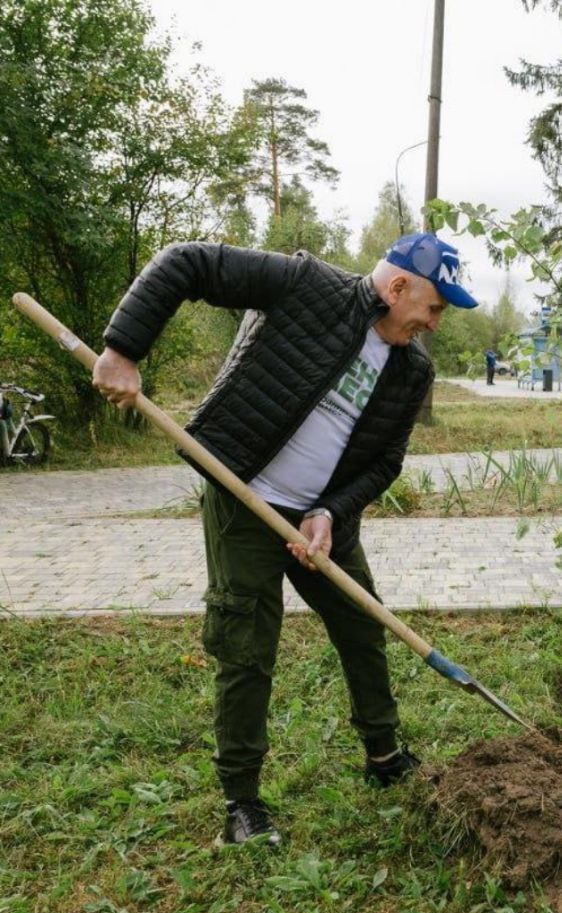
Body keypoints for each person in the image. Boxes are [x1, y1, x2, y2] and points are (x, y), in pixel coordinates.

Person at [91, 231, 479, 847]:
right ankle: (241, 803)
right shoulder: (309, 288)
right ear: (399, 286)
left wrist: (329, 511)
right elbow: (188, 263)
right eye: (434, 308)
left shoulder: (411, 370)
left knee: (361, 623)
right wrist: (122, 349)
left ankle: (383, 755)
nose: (434, 323)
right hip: (243, 497)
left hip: (318, 522)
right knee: (247, 644)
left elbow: (386, 463)